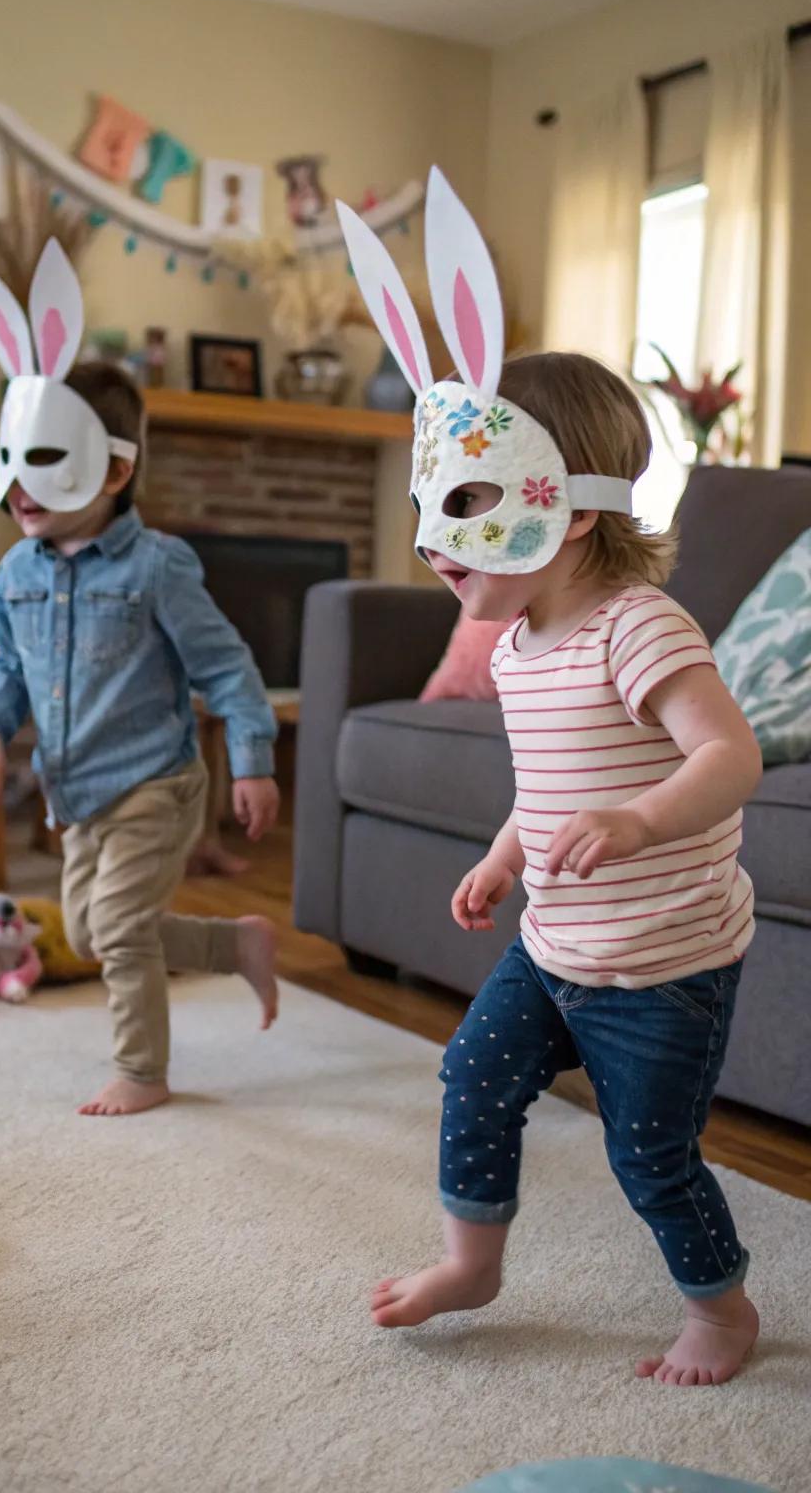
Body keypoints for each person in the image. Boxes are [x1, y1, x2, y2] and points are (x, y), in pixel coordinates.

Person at [339, 171, 761, 1389]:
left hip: (665, 960)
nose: (433, 539)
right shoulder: (521, 646)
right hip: (557, 939)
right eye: (432, 506)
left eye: (465, 501)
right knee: (472, 1072)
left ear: (565, 511)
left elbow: (724, 756)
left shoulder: (642, 626)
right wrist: (504, 853)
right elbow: (547, 780)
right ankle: (472, 1261)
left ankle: (721, 1311)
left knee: (650, 1155)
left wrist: (636, 819)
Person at [0, 318, 280, 1116]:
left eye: (47, 464)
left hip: (152, 784)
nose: (20, 487)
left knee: (122, 930)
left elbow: (226, 665)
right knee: (90, 937)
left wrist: (255, 759)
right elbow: (12, 671)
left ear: (113, 470)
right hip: (75, 791)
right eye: (11, 464)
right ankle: (234, 944)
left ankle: (143, 1071)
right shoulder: (15, 573)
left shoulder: (156, 567)